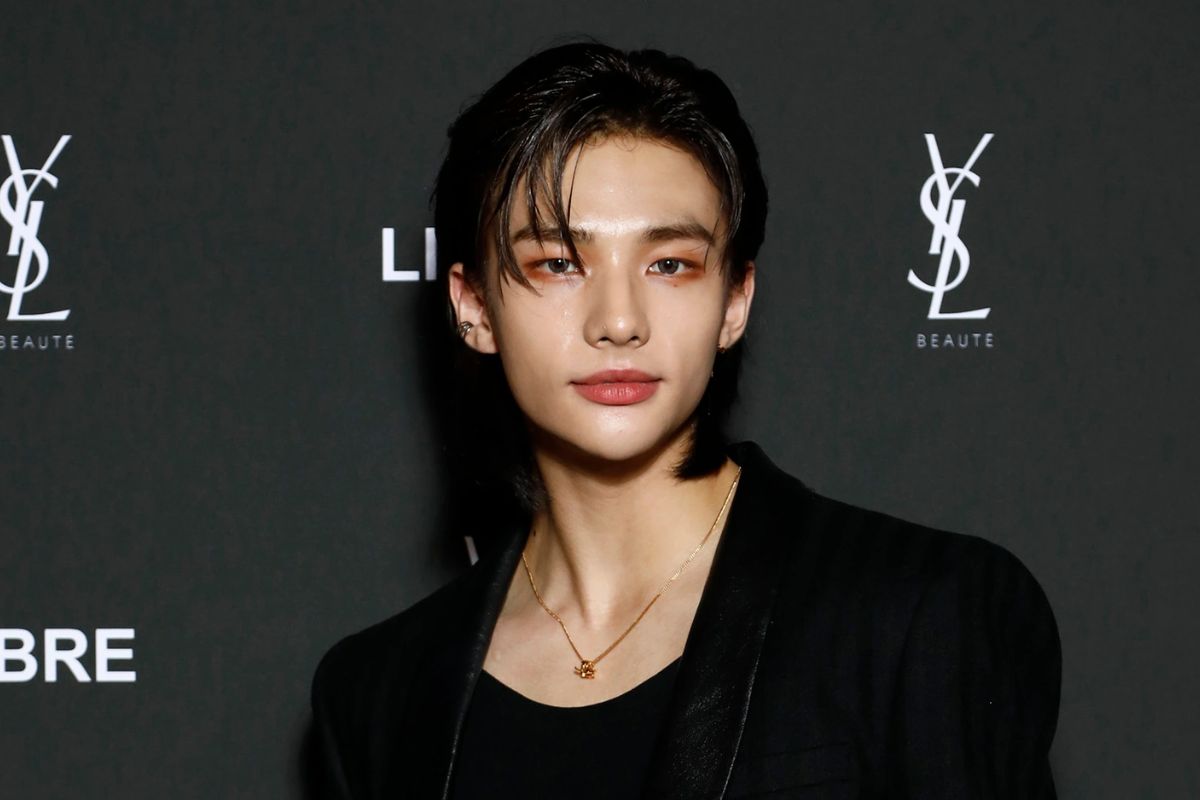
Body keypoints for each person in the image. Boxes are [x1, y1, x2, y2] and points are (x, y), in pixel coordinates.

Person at [309, 40, 1062, 799]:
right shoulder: (378, 693)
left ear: (734, 301)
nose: (619, 321)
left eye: (669, 264)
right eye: (558, 263)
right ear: (473, 307)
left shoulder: (919, 616)